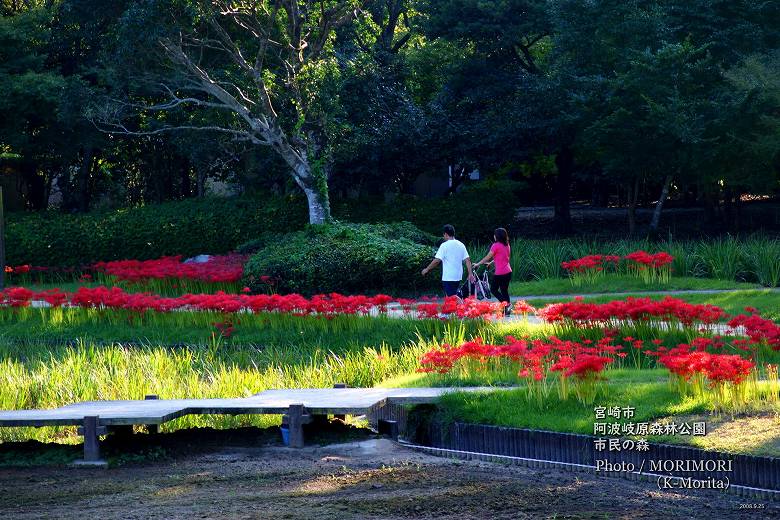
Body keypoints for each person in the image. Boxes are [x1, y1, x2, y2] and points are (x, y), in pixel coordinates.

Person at [421, 224, 475, 297]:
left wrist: (427, 269)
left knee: (452, 298)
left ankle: (458, 307)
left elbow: (437, 261)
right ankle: (456, 307)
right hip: (458, 276)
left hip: (448, 276)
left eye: (444, 235)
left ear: (446, 234)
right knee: (453, 295)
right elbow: (468, 260)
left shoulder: (444, 245)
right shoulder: (461, 244)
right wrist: (470, 273)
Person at [474, 227, 512, 315]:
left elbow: (488, 256)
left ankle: (507, 305)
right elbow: (501, 257)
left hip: (500, 273)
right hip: (508, 272)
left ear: (497, 236)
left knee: (493, 289)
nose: (494, 236)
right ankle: (507, 310)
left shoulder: (496, 245)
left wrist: (478, 264)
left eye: (495, 234)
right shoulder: (507, 245)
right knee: (504, 291)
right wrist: (491, 263)